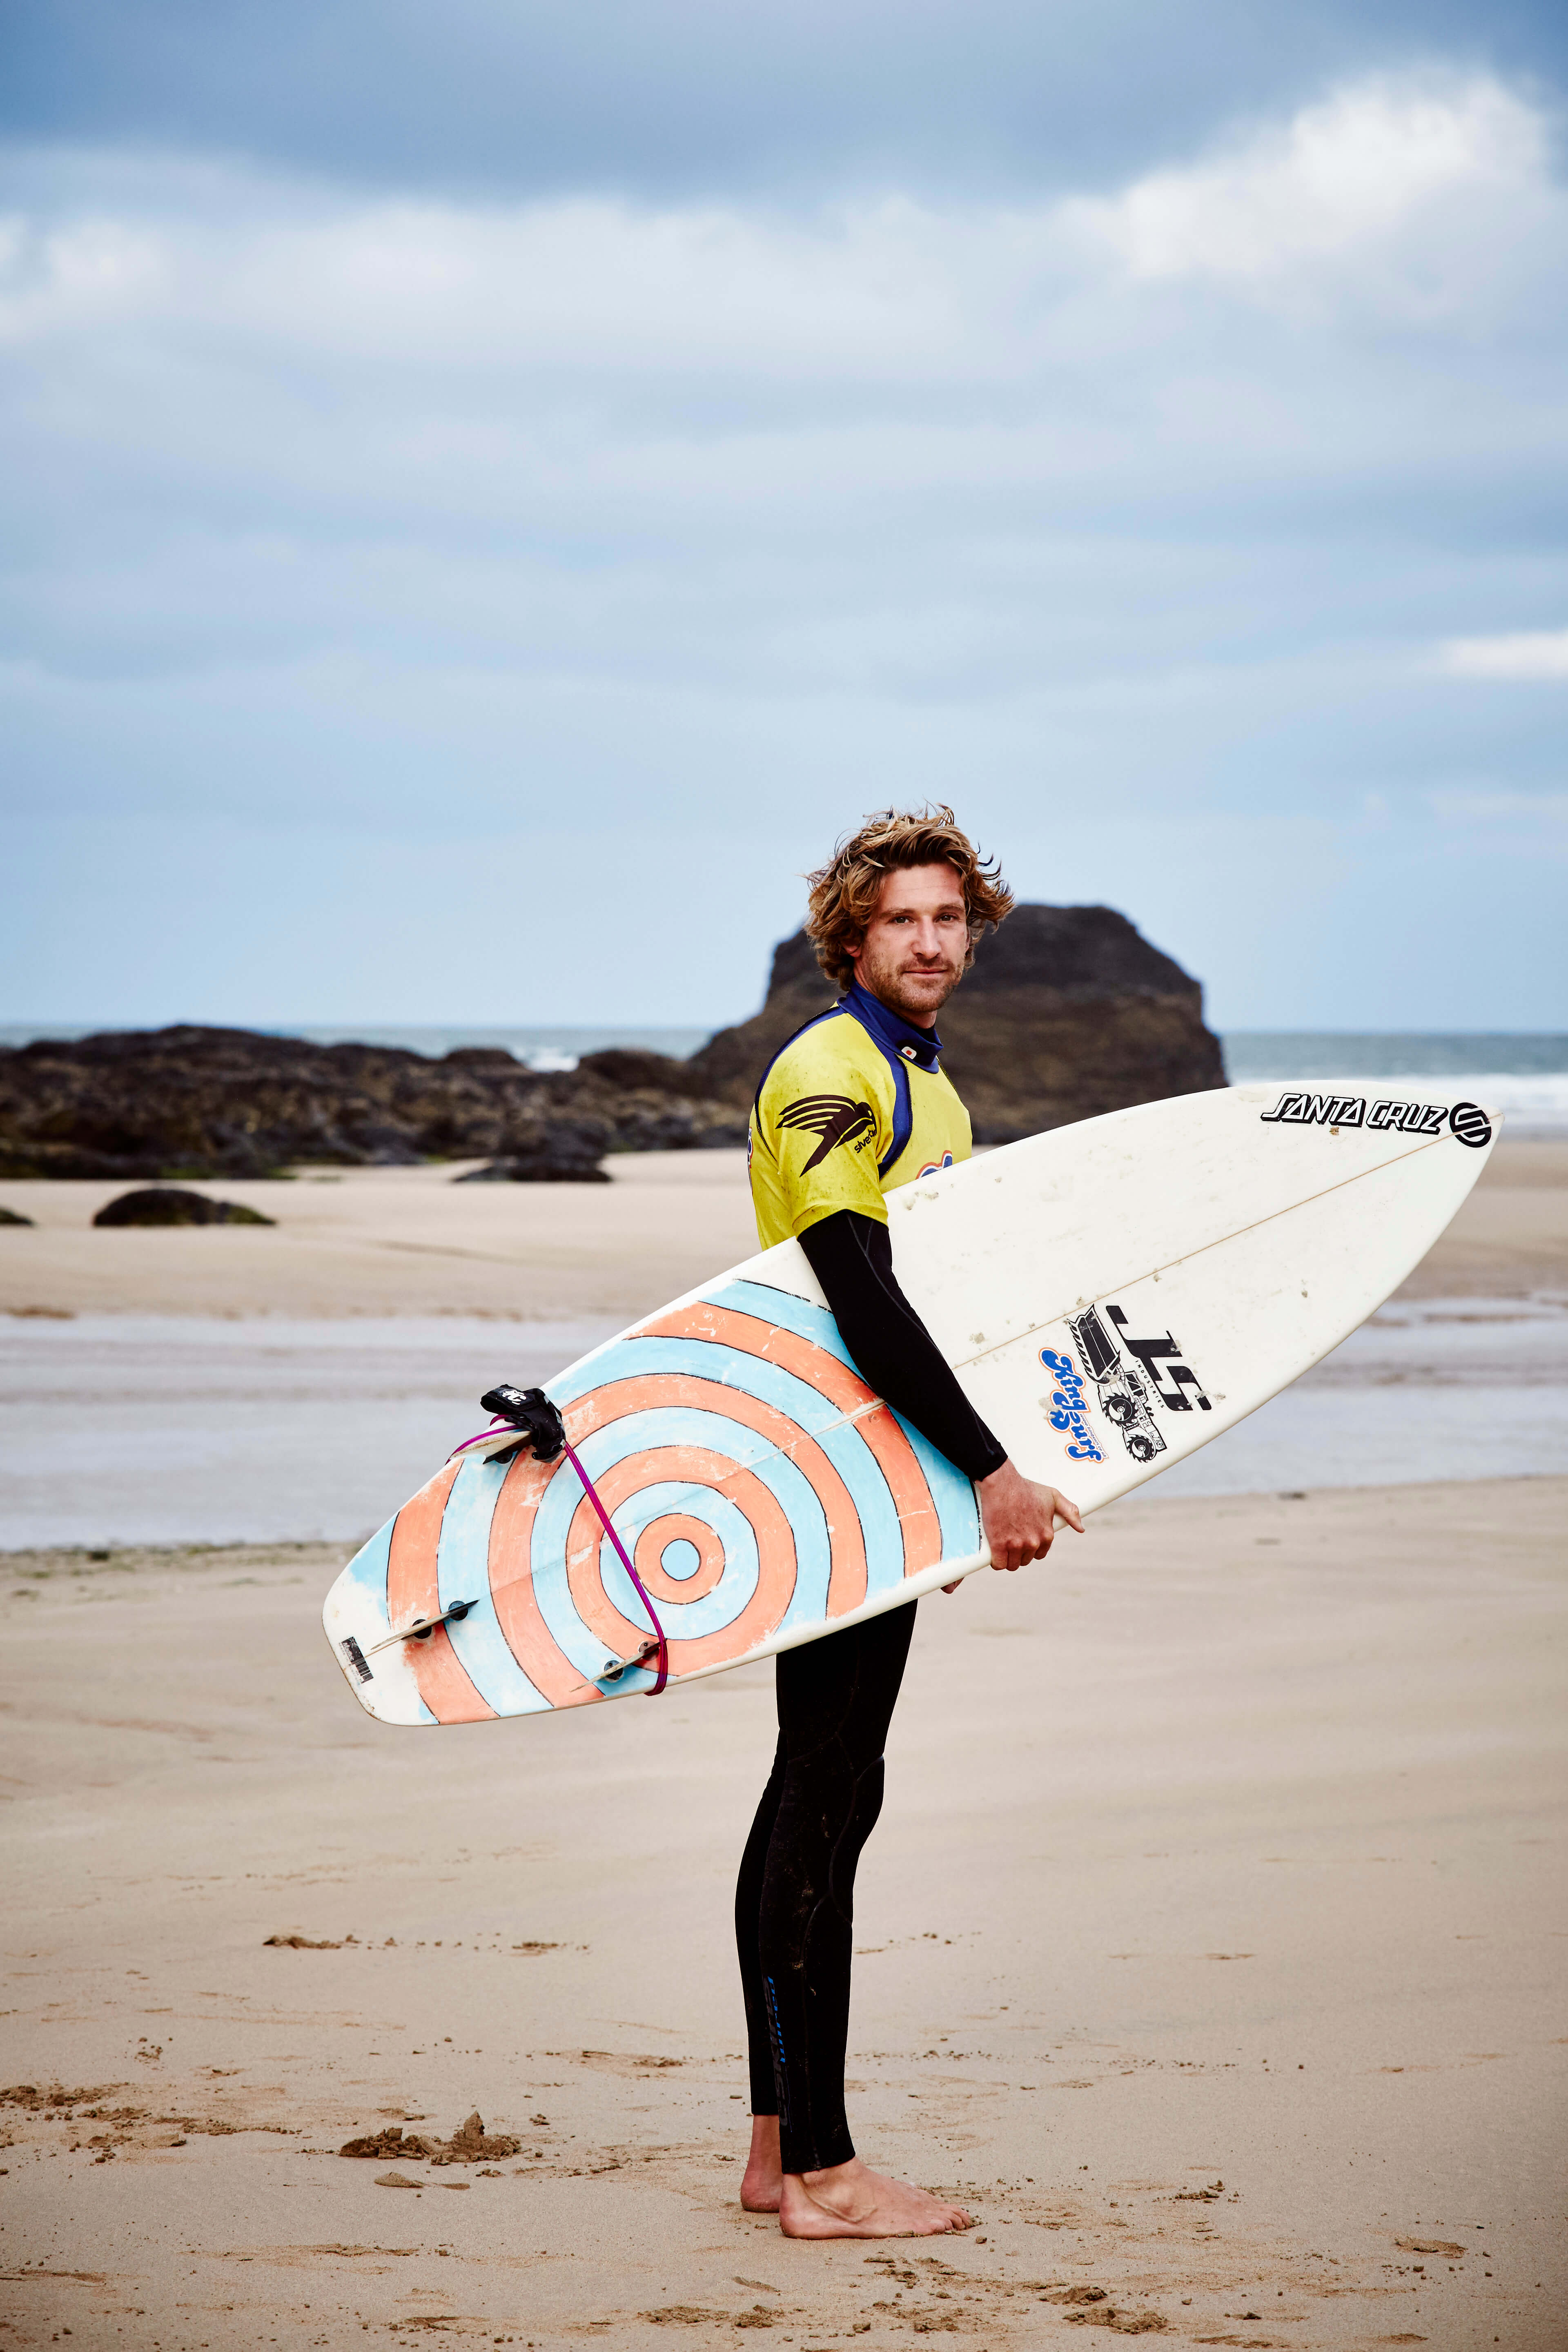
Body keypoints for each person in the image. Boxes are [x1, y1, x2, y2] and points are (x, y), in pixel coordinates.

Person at [735, 805, 1083, 2241]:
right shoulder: (829, 1070)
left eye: (950, 918)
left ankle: (775, 2154)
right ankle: (822, 2172)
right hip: (822, 1460)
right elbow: (860, 1298)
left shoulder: (930, 1088)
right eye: (903, 922)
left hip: (877, 1470)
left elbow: (939, 1303)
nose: (932, 941)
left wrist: (933, 1488)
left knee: (837, 1788)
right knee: (820, 1788)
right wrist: (989, 1471)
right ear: (853, 939)